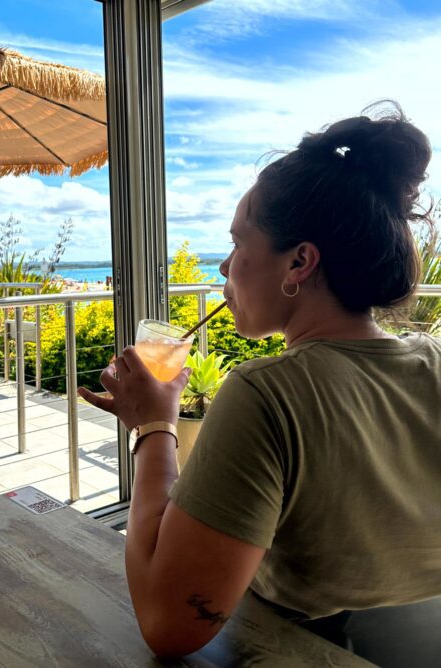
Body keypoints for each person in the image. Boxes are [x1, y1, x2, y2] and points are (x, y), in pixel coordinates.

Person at [77, 101, 441, 662]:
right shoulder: (435, 360)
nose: (223, 268)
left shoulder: (268, 393)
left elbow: (167, 622)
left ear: (299, 263)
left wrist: (152, 425)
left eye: (238, 243)